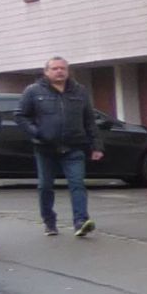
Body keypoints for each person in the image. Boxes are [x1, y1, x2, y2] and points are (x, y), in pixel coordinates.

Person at [18, 57, 101, 238]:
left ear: (68, 71)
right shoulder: (33, 91)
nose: (59, 71)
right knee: (45, 186)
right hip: (45, 148)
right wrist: (36, 132)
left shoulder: (79, 91)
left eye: (63, 68)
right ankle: (49, 221)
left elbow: (89, 120)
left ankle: (81, 221)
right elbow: (22, 116)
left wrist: (96, 146)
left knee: (77, 184)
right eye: (55, 68)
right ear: (46, 71)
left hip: (74, 146)